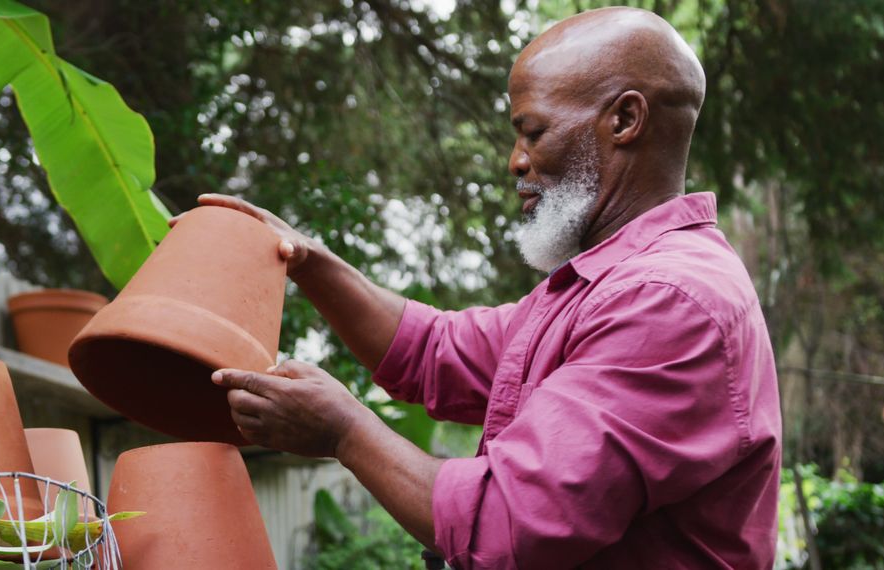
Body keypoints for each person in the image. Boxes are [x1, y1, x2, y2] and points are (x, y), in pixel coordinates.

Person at [190, 6, 781, 568]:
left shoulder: (666, 301)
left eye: (534, 131)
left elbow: (510, 524)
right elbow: (432, 352)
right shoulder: (603, 284)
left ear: (624, 121)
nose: (515, 161)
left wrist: (344, 431)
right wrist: (308, 260)